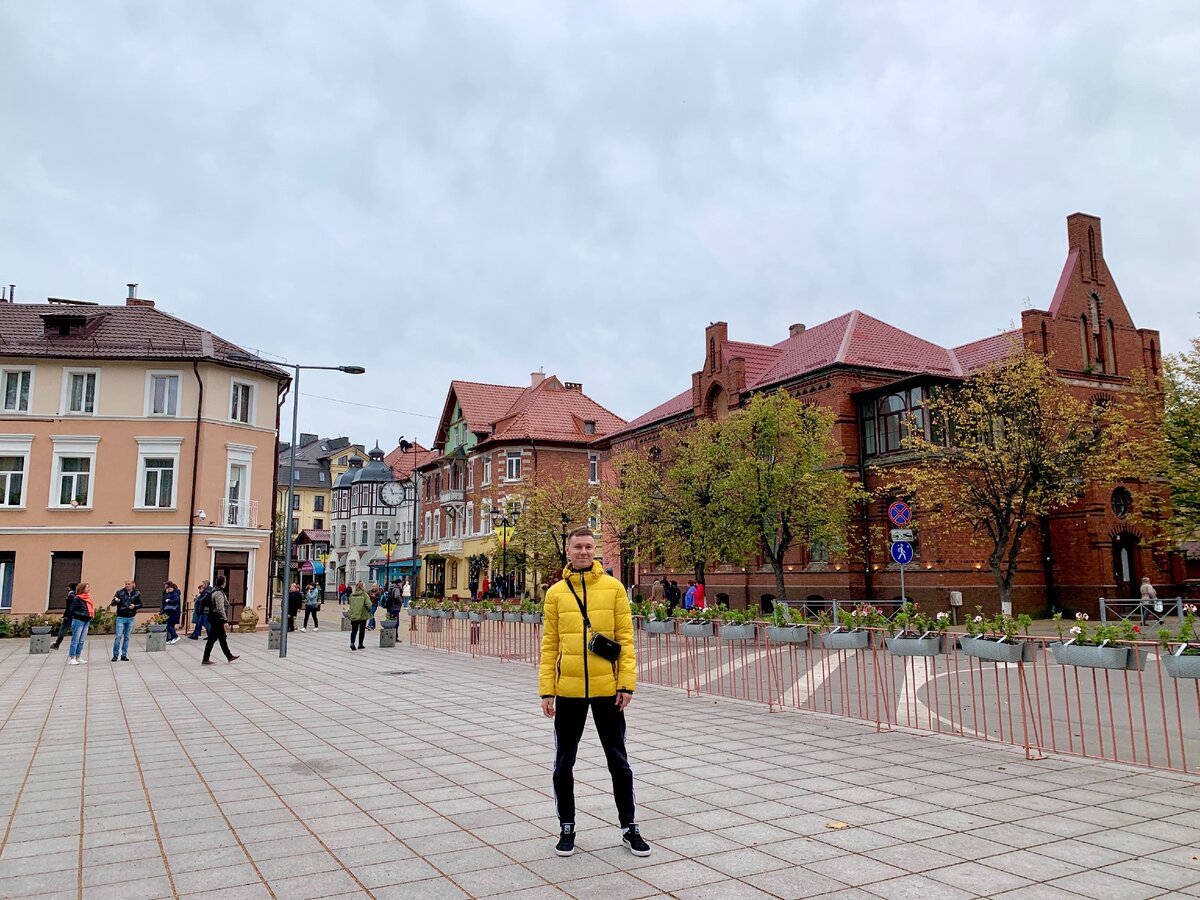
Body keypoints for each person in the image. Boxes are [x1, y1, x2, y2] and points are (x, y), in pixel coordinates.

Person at [539, 527, 649, 859]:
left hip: (607, 690)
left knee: (619, 761)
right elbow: (549, 645)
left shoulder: (614, 589)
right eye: (578, 547)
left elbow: (626, 641)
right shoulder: (556, 593)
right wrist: (547, 690)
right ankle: (567, 826)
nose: (584, 552)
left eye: (589, 546)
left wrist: (626, 684)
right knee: (563, 763)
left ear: (595, 550)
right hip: (568, 691)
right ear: (568, 551)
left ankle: (629, 827)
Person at [201, 575, 239, 665]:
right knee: (216, 638)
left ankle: (228, 656)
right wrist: (225, 620)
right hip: (216, 618)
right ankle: (226, 656)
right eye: (225, 581)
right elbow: (220, 608)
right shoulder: (218, 593)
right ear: (223, 583)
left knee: (217, 638)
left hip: (214, 618)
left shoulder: (215, 590)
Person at [110, 580, 141, 661]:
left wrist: (134, 606)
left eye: (129, 584)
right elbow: (113, 603)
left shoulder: (137, 593)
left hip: (130, 617)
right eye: (126, 584)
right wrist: (116, 600)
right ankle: (115, 655)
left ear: (133, 584)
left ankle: (124, 655)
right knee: (118, 636)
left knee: (127, 637)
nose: (127, 585)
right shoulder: (120, 592)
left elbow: (140, 604)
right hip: (121, 616)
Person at [66, 582, 94, 665]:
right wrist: (83, 614)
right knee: (75, 639)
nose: (88, 589)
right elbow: (72, 610)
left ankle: (78, 656)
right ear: (82, 589)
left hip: (86, 620)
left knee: (82, 640)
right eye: (87, 588)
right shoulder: (77, 598)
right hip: (79, 620)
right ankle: (72, 657)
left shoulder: (88, 598)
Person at [52, 582, 78, 650]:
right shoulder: (77, 595)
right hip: (75, 615)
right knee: (75, 631)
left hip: (69, 615)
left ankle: (57, 644)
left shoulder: (71, 595)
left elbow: (69, 607)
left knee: (63, 629)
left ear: (70, 588)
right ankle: (75, 645)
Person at [348, 581, 371, 650]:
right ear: (362, 587)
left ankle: (352, 643)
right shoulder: (364, 595)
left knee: (354, 630)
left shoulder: (352, 594)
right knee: (362, 631)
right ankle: (360, 644)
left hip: (354, 615)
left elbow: (350, 603)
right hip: (362, 615)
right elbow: (369, 605)